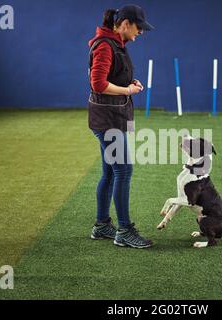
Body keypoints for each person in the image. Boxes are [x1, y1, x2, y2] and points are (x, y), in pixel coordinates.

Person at [87, 5, 154, 248]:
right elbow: (98, 83)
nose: (141, 33)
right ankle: (124, 230)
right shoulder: (105, 45)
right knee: (123, 171)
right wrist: (127, 90)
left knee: (110, 172)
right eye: (139, 28)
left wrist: (129, 82)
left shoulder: (115, 43)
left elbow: (111, 77)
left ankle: (102, 225)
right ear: (125, 23)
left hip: (110, 117)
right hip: (108, 120)